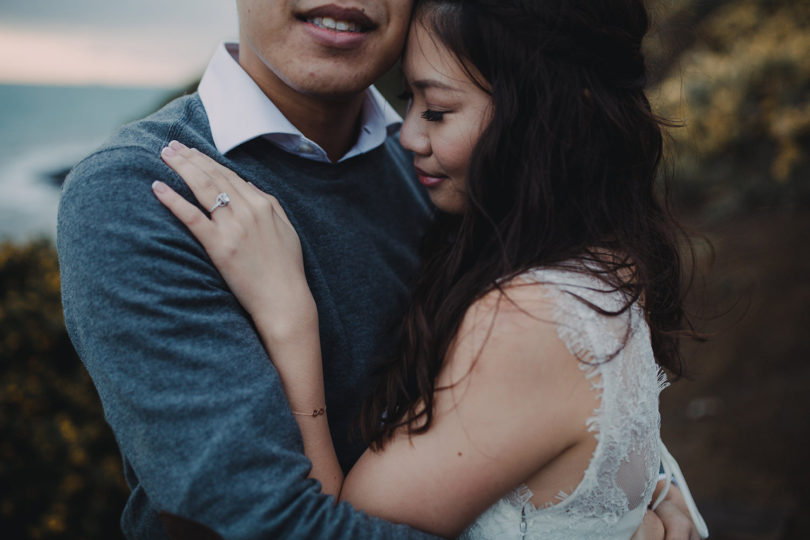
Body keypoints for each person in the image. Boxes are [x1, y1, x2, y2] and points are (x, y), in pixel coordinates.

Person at [58, 0, 698, 538]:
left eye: (438, 110)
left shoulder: (442, 174)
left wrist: (632, 493)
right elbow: (267, 526)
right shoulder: (144, 192)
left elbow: (552, 412)